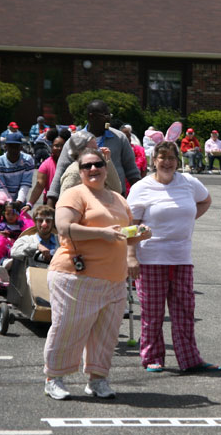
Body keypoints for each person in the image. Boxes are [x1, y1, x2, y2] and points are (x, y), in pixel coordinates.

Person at [43, 148, 151, 400]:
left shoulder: (118, 198)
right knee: (68, 328)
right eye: (86, 166)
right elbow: (64, 228)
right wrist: (102, 234)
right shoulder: (74, 194)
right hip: (75, 276)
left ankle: (98, 379)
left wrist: (140, 234)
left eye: (98, 164)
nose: (93, 169)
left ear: (105, 167)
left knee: (107, 333)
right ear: (79, 171)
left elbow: (126, 232)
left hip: (114, 278)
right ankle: (54, 378)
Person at [127, 140, 218, 372]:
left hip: (181, 257)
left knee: (184, 310)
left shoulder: (188, 182)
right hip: (151, 258)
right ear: (154, 160)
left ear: (178, 161)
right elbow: (131, 224)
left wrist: (187, 221)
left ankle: (190, 359)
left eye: (171, 158)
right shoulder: (142, 187)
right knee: (152, 312)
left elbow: (206, 200)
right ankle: (152, 357)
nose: (167, 162)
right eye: (162, 157)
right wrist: (131, 256)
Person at [46, 99, 140, 205]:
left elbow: (132, 171)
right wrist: (50, 205)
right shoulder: (75, 141)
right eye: (105, 115)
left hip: (115, 200)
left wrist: (141, 198)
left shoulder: (119, 138)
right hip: (84, 202)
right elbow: (60, 173)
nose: (109, 119)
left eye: (109, 115)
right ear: (92, 116)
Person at [59, 131, 123, 196]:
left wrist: (107, 161)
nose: (96, 153)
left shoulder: (98, 167)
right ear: (79, 151)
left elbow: (117, 190)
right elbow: (64, 200)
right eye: (92, 149)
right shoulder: (74, 172)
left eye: (96, 149)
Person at [0, 132, 35, 208]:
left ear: (21, 148)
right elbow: (1, 187)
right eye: (11, 146)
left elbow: (25, 184)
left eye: (16, 146)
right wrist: (9, 203)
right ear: (5, 147)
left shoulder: (28, 160)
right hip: (2, 201)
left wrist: (19, 201)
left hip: (20, 202)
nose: (14, 149)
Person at [27, 134, 65, 207]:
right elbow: (39, 186)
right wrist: (30, 204)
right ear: (51, 147)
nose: (60, 148)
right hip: (50, 203)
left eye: (62, 146)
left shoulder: (72, 163)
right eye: (56, 146)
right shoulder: (45, 165)